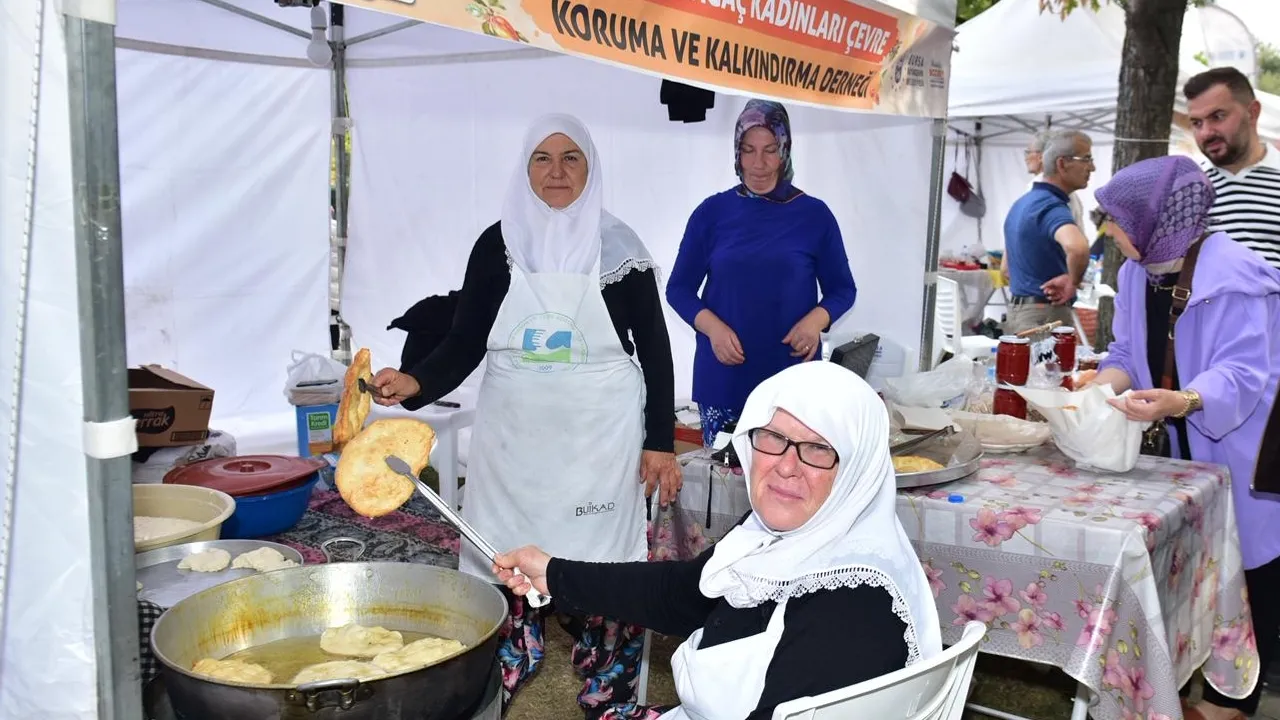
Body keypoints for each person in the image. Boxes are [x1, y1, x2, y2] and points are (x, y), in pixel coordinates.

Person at [367, 114, 680, 718]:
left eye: (571, 158)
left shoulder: (621, 248)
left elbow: (657, 351)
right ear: (525, 168)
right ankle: (512, 652)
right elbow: (465, 341)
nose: (556, 172)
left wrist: (659, 440)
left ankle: (604, 669)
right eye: (542, 158)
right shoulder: (496, 244)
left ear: (590, 168)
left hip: (598, 435)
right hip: (515, 435)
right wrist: (415, 383)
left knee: (598, 548)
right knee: (502, 540)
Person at [493, 361, 943, 720]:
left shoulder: (851, 605)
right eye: (774, 437)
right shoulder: (788, 535)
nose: (787, 466)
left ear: (857, 469)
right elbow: (682, 594)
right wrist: (553, 573)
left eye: (818, 448)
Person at [1089, 155, 1280, 720]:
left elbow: (1243, 374)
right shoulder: (1136, 271)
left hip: (1240, 447)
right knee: (1193, 572)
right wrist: (1093, 391)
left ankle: (1234, 700)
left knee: (1248, 576)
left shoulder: (1238, 277)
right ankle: (1186, 683)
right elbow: (1126, 352)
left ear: (1154, 219)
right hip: (1177, 454)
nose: (1108, 230)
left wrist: (1185, 401)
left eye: (1116, 218)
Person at [666, 99, 857, 446]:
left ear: (785, 151)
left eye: (770, 150)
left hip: (792, 384)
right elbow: (678, 289)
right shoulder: (711, 213)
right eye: (748, 150)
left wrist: (816, 321)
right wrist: (713, 328)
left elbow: (843, 289)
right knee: (725, 479)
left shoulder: (814, 215)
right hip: (723, 381)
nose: (759, 164)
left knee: (789, 477)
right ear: (736, 153)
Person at [1184, 67, 1280, 269]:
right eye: (1197, 123)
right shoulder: (1187, 191)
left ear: (1252, 112)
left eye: (1218, 116)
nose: (1206, 133)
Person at [1001, 130, 1094, 334]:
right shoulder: (1051, 206)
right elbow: (1078, 248)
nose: (1092, 167)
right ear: (1062, 164)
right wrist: (1073, 281)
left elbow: (1005, 269)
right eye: (1086, 159)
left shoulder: (1022, 203)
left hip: (1021, 310)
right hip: (1044, 315)